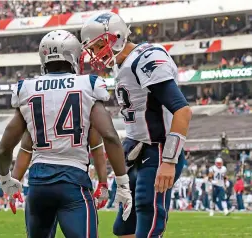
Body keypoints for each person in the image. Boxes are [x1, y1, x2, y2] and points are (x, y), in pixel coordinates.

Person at [0, 29, 132, 238]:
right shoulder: (88, 85)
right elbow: (110, 136)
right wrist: (122, 184)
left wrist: (7, 179)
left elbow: (6, 146)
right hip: (73, 183)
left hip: (39, 185)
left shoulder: (27, 88)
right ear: (73, 56)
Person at [81, 12, 192, 238]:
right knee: (123, 226)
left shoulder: (146, 58)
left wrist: (169, 161)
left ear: (117, 36)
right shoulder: (122, 63)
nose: (95, 54)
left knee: (147, 212)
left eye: (98, 45)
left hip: (158, 149)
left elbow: (182, 111)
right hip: (136, 148)